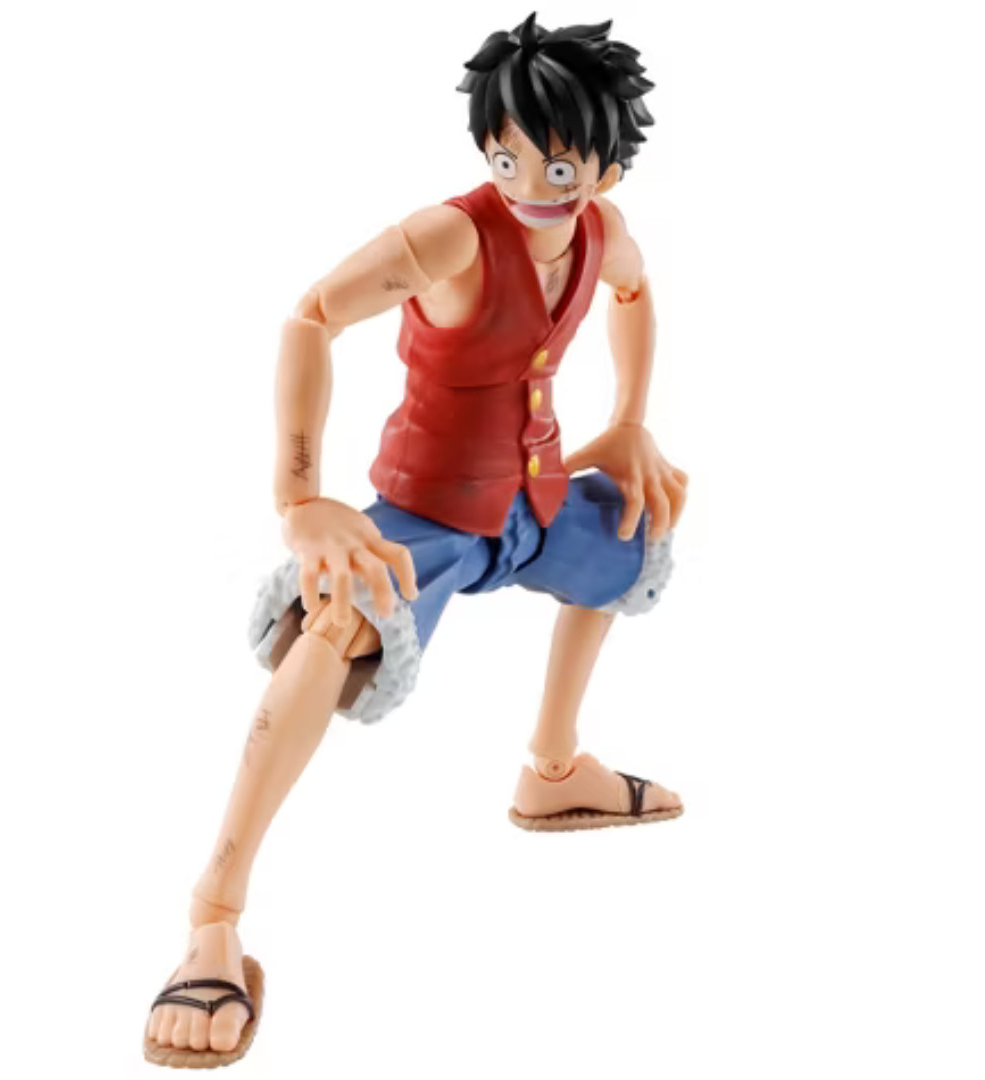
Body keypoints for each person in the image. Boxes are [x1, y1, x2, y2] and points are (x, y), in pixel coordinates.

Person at [144, 13, 688, 1067]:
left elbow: (634, 289)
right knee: (333, 624)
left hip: (533, 501)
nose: (529, 182)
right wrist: (301, 499)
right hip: (432, 512)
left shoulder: (602, 232)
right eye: (505, 156)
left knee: (634, 529)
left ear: (606, 168)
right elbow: (312, 316)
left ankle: (553, 766)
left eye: (559, 164)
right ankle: (214, 913)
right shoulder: (449, 238)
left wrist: (630, 421)